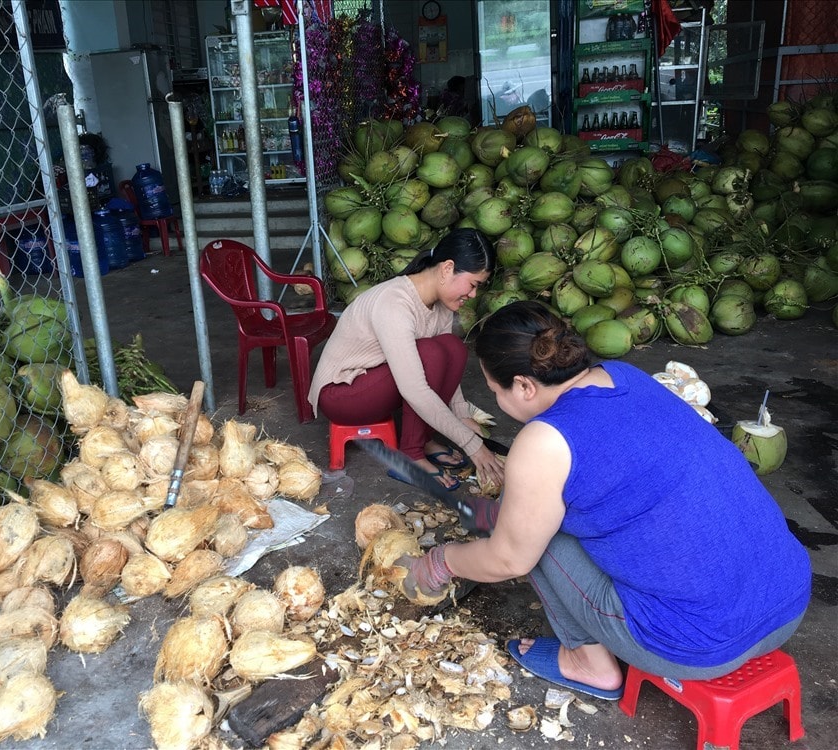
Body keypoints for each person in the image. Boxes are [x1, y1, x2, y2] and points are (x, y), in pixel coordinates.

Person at [399, 301, 811, 699]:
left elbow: (511, 559)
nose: (497, 402)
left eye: (494, 390)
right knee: (540, 509)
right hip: (786, 601)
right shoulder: (623, 375)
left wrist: (442, 561)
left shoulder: (544, 440)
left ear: (524, 385)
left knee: (530, 536)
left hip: (704, 644)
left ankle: (587, 663)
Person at [309, 228, 508, 491]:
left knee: (452, 348)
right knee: (431, 354)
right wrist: (474, 447)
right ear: (447, 268)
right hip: (341, 394)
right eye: (473, 285)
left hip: (373, 382)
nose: (472, 295)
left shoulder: (441, 305)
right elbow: (415, 388)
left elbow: (449, 366)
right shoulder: (394, 303)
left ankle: (422, 441)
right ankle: (410, 455)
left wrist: (462, 416)